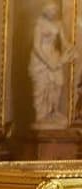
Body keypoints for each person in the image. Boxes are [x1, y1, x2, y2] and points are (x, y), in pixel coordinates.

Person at [29, 0, 75, 128]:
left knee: (58, 83)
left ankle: (53, 112)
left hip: (53, 56)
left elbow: (64, 42)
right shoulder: (39, 25)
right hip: (41, 59)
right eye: (50, 8)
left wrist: (71, 48)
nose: (52, 11)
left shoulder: (58, 24)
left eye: (54, 9)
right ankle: (41, 116)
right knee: (41, 88)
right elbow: (36, 46)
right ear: (45, 9)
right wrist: (49, 62)